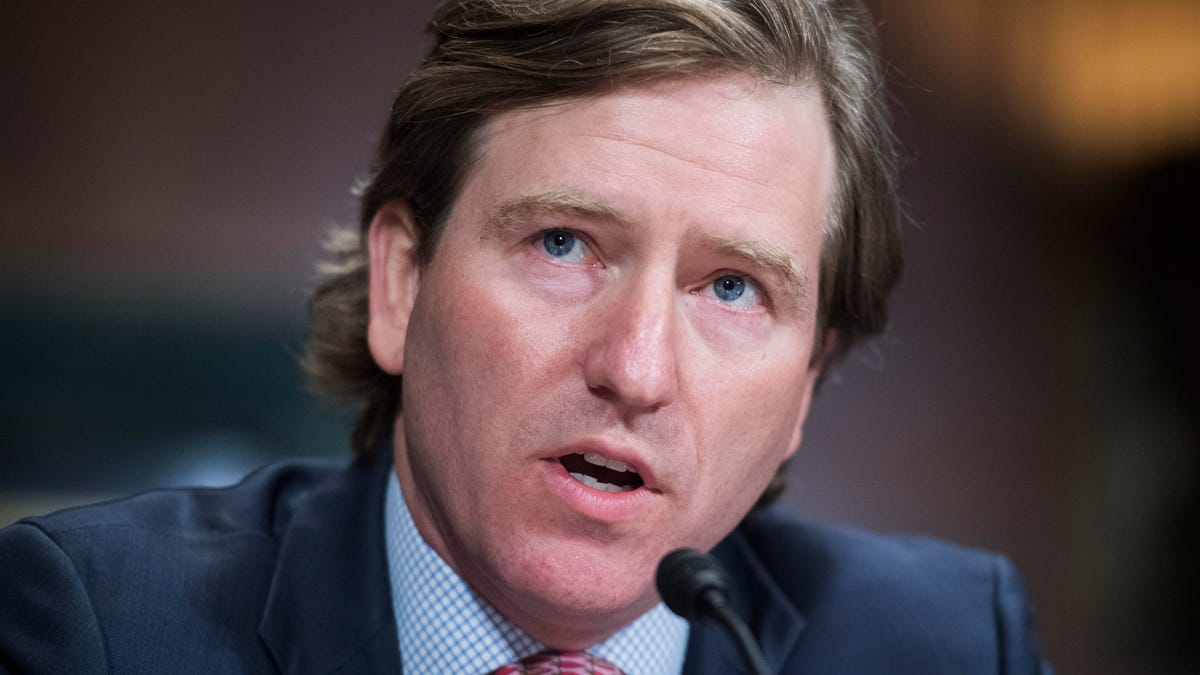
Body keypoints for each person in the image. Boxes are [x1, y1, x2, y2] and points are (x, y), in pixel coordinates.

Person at [0, 0, 1052, 673]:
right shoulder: (102, 629)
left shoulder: (948, 645)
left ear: (808, 389)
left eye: (731, 287)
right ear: (401, 282)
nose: (635, 369)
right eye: (563, 243)